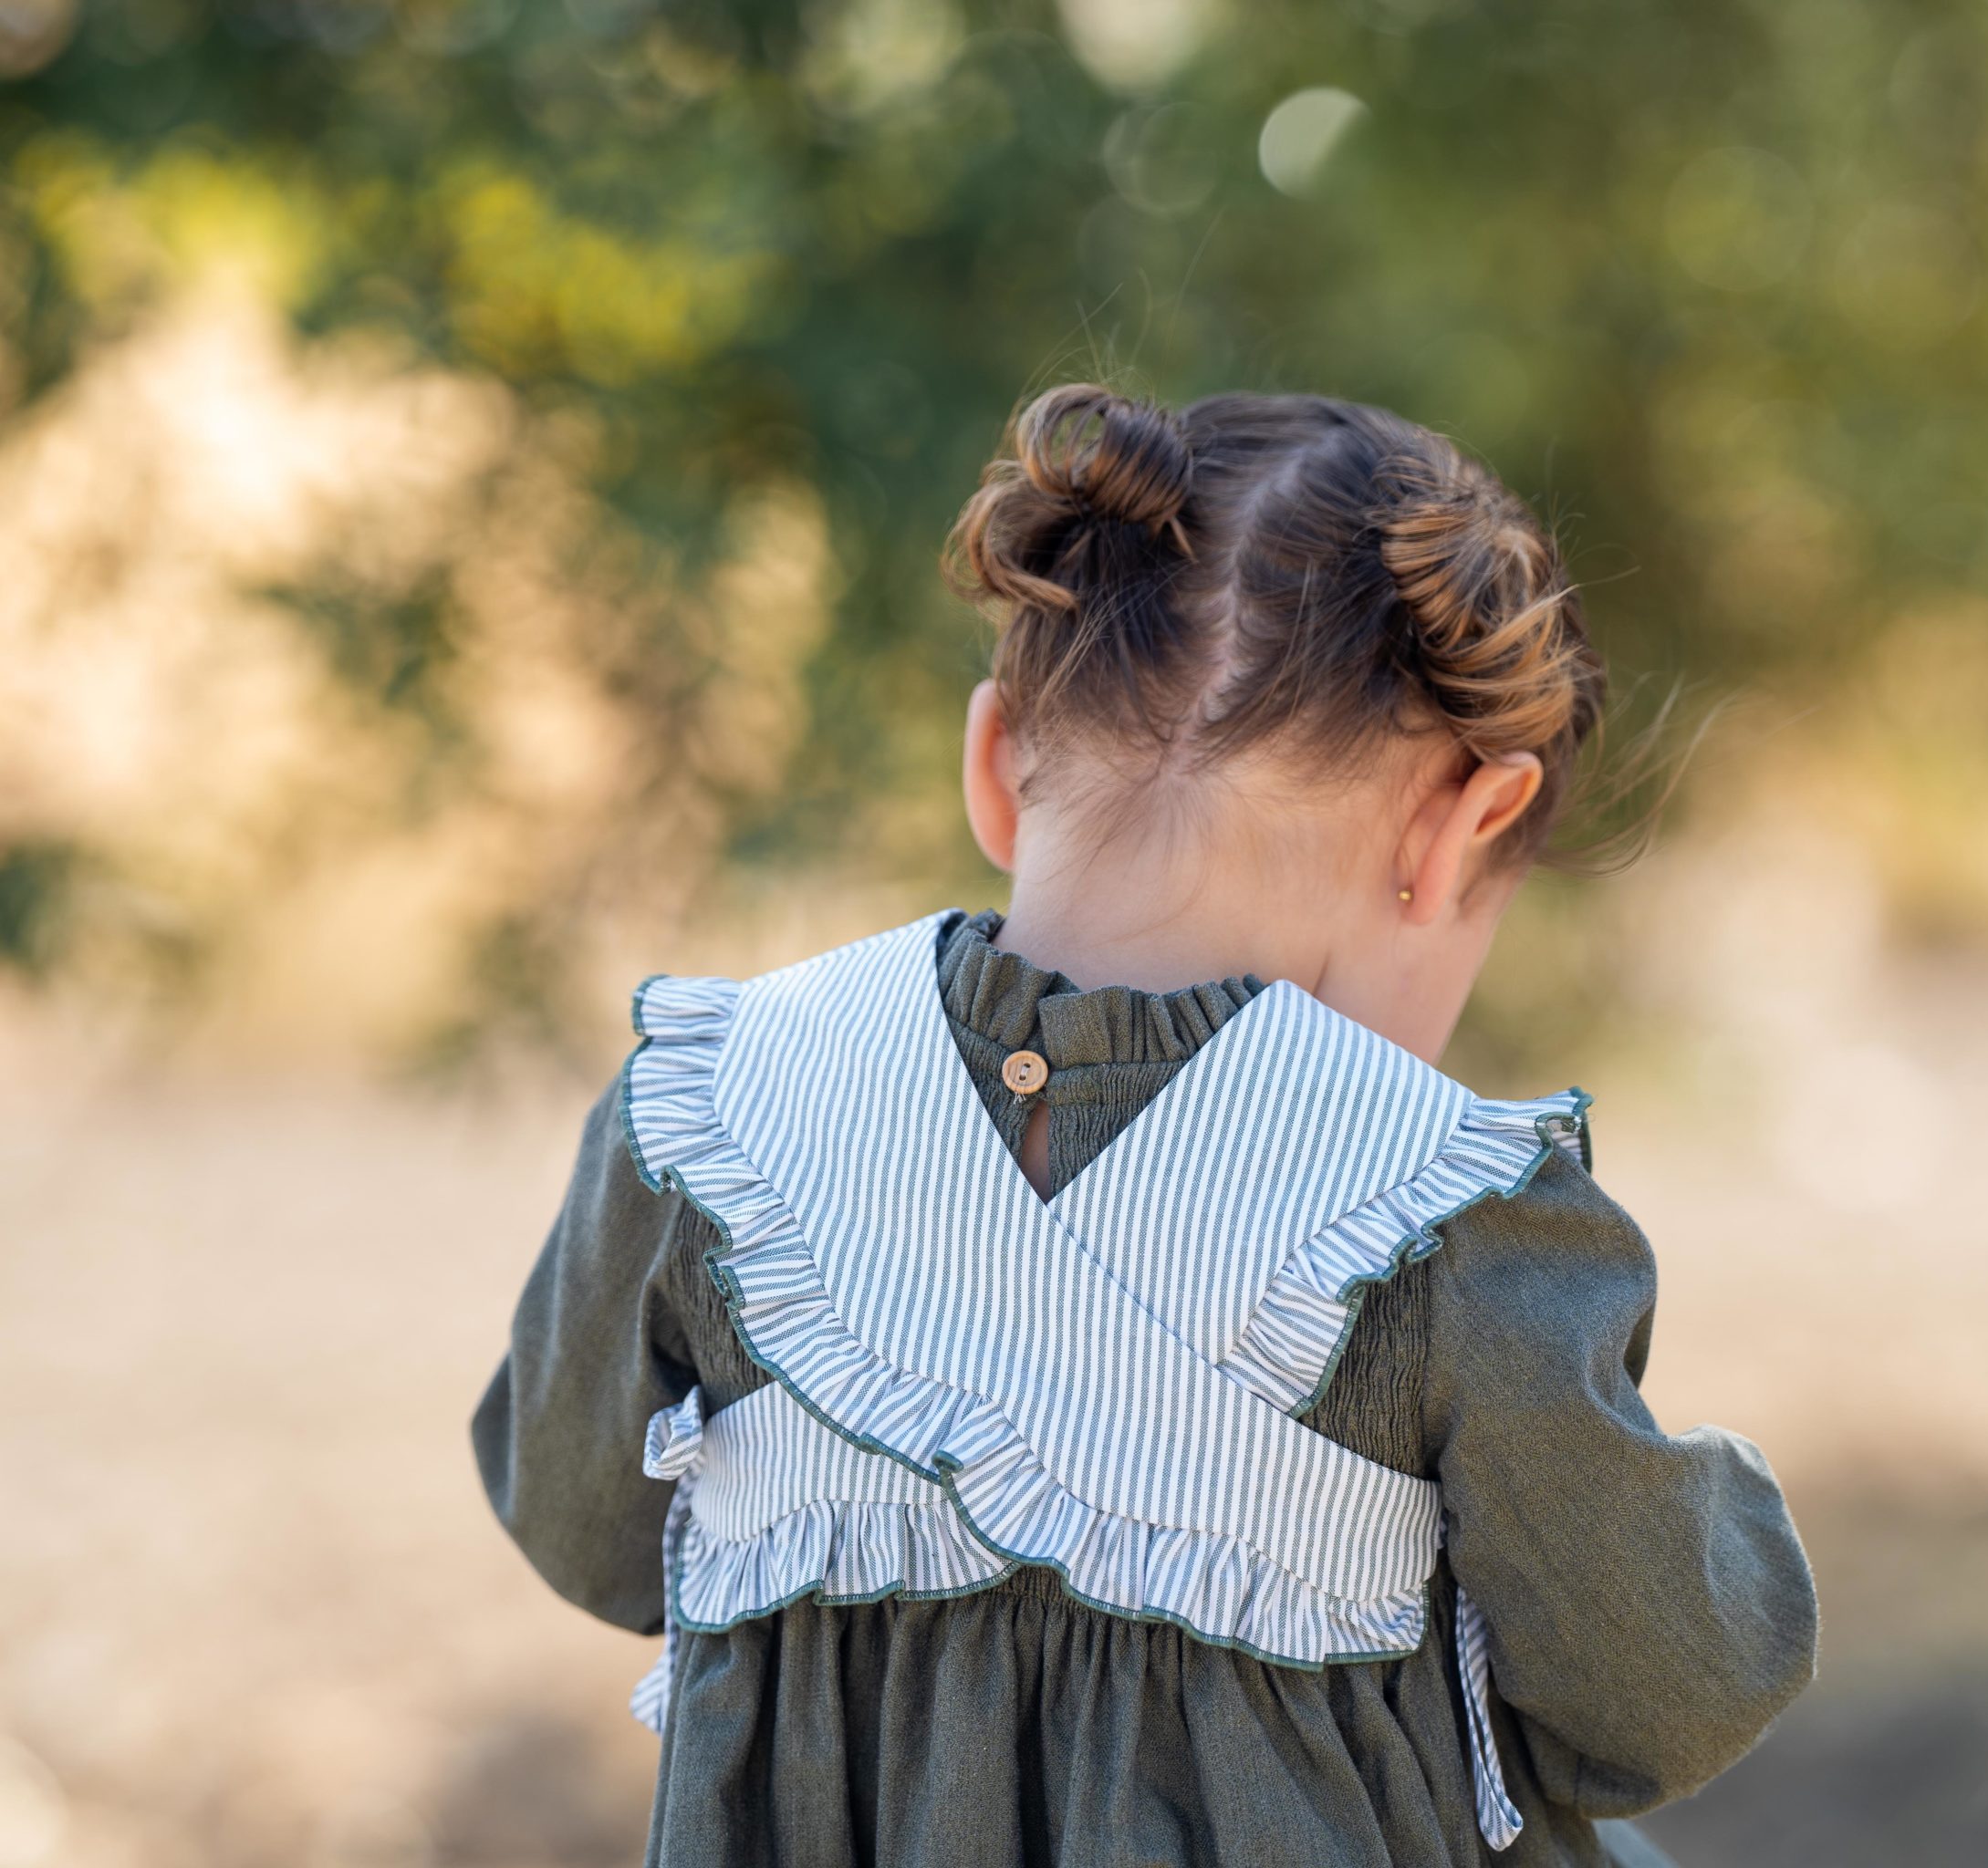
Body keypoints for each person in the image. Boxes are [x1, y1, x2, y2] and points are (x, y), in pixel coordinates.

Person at [473, 384, 1818, 1867]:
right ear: (1461, 831)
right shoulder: (1448, 1216)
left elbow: (581, 1524)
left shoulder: (710, 1115)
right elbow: (1661, 1699)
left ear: (996, 765)